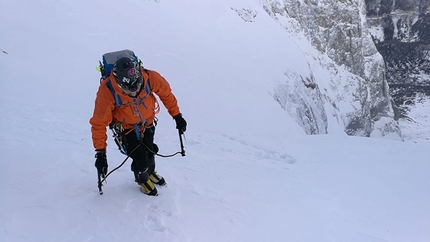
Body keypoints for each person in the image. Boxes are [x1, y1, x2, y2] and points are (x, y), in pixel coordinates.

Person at [90, 56, 187, 196]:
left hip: (147, 122)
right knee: (139, 156)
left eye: (137, 88)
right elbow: (99, 123)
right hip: (125, 128)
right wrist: (100, 153)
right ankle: (142, 178)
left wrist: (177, 116)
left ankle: (151, 172)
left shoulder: (150, 77)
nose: (134, 93)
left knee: (149, 149)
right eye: (129, 91)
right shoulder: (107, 90)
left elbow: (166, 95)